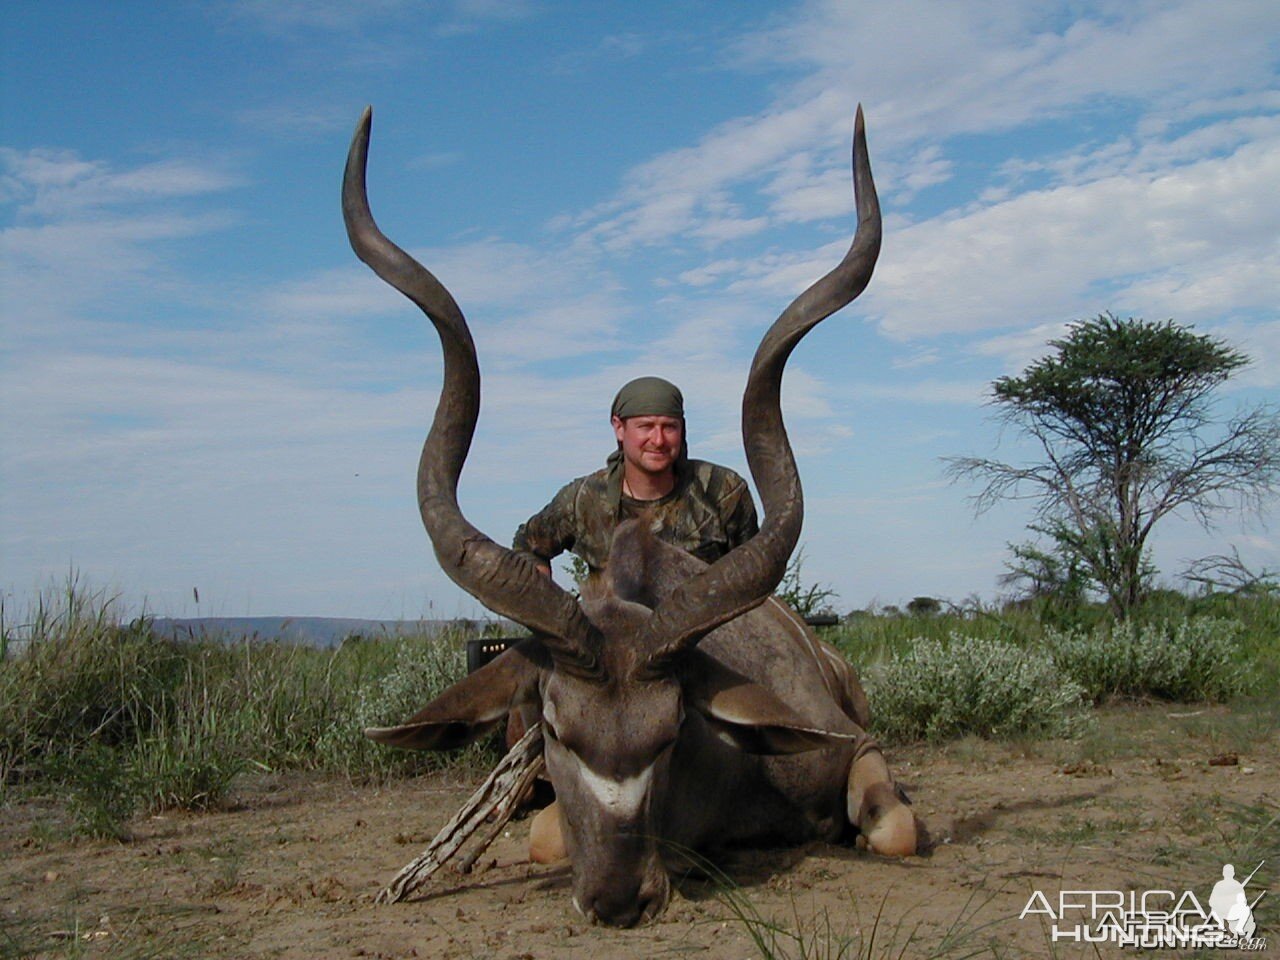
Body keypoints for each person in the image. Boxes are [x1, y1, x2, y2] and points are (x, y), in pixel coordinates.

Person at [513, 376, 759, 580]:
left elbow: (755, 567)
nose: (659, 440)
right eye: (646, 426)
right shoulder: (583, 498)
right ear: (619, 428)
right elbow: (527, 545)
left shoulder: (722, 490)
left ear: (682, 429)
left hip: (708, 633)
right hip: (615, 634)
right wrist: (543, 593)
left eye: (669, 427)